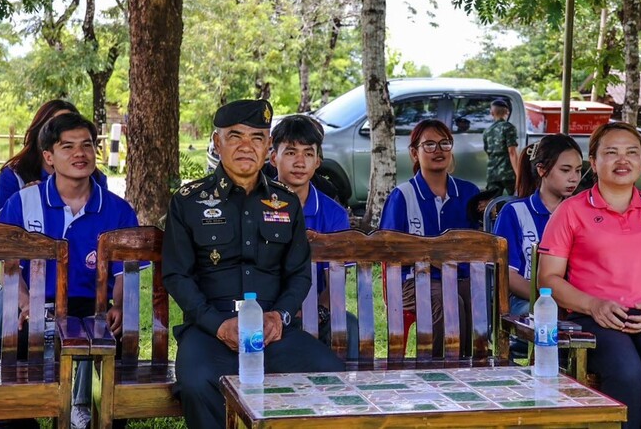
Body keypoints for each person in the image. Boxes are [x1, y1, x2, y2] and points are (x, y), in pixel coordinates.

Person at [163, 100, 344, 429]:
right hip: (210, 331)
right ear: (217, 143)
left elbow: (299, 274)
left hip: (272, 331)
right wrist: (218, 324)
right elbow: (177, 275)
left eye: (257, 138)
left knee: (331, 376)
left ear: (267, 147)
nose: (247, 146)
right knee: (197, 383)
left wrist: (280, 316)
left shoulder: (286, 202)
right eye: (235, 136)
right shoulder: (188, 202)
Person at [538, 122, 641, 429]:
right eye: (611, 152)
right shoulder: (571, 211)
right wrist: (593, 305)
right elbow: (548, 278)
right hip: (593, 317)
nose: (622, 160)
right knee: (626, 372)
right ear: (593, 161)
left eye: (632, 152)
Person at [0, 113, 137, 429]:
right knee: (16, 358)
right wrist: (25, 303)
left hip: (92, 308)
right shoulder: (22, 203)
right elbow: (9, 265)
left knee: (117, 344)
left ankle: (98, 415)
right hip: (37, 306)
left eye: (87, 145)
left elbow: (124, 274)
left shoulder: (118, 209)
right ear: (49, 156)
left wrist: (119, 305)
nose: (80, 154)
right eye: (68, 146)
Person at [379, 119, 480, 357]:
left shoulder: (469, 193)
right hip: (413, 280)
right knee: (449, 301)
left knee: (479, 299)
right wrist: (430, 255)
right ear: (414, 153)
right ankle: (439, 369)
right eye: (430, 145)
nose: (438, 150)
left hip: (461, 276)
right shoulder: (402, 196)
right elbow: (387, 248)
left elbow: (478, 242)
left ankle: (472, 367)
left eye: (445, 143)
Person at [268, 114, 358, 359]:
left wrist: (317, 313)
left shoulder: (333, 214)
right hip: (267, 312)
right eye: (290, 152)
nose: (300, 162)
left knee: (350, 326)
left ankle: (347, 385)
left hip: (317, 311)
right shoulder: (256, 205)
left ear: (318, 161)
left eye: (308, 154)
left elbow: (336, 281)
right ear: (273, 157)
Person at [493, 134, 582, 316]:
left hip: (576, 303)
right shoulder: (514, 212)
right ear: (542, 170)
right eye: (565, 170)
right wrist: (548, 299)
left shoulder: (582, 213)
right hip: (525, 300)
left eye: (578, 170)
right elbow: (507, 275)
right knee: (549, 315)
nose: (574, 178)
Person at [0, 99, 107, 217]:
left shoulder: (96, 178)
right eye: (56, 124)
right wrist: (23, 202)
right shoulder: (14, 176)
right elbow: (1, 225)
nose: (79, 153)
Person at [483, 98, 518, 195]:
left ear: (492, 113)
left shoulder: (487, 131)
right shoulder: (509, 127)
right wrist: (519, 174)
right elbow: (512, 152)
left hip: (492, 173)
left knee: (492, 201)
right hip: (508, 173)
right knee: (517, 199)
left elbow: (487, 152)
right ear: (507, 112)